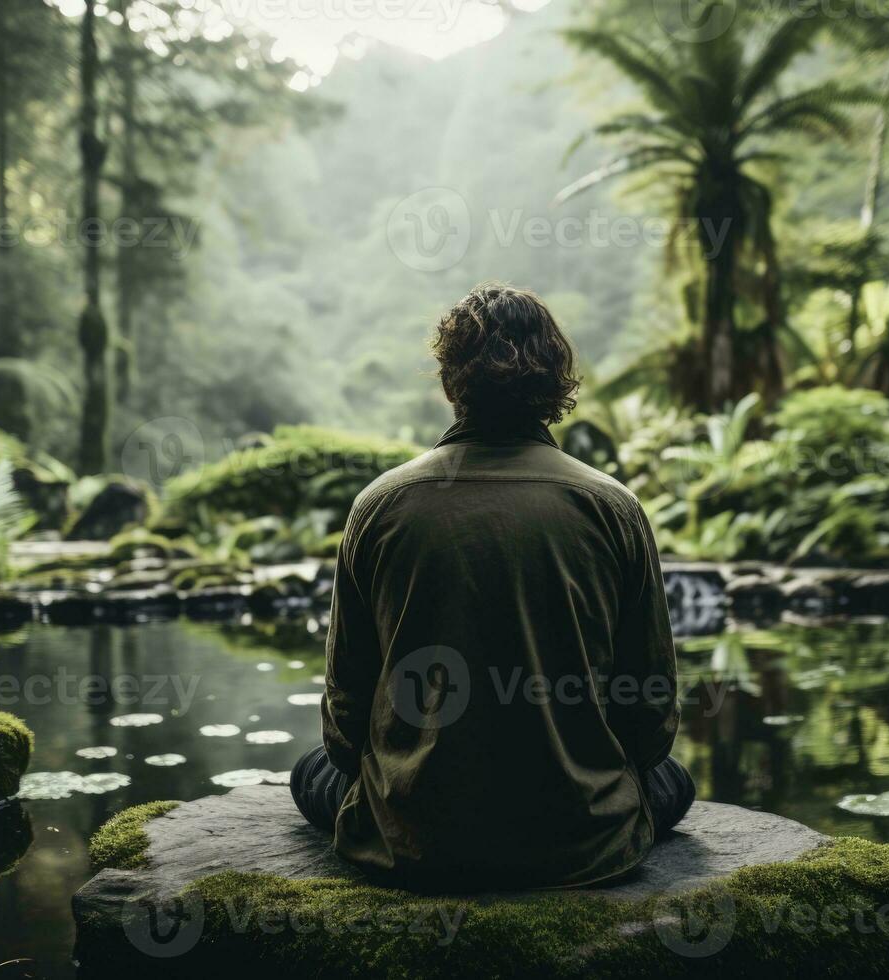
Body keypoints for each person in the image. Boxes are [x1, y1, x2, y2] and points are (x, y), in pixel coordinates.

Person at [291, 282, 694, 891]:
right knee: (675, 783)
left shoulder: (380, 505)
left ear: (453, 382)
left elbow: (345, 724)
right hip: (580, 842)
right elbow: (651, 718)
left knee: (310, 773)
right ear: (558, 380)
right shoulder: (613, 507)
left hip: (417, 843)